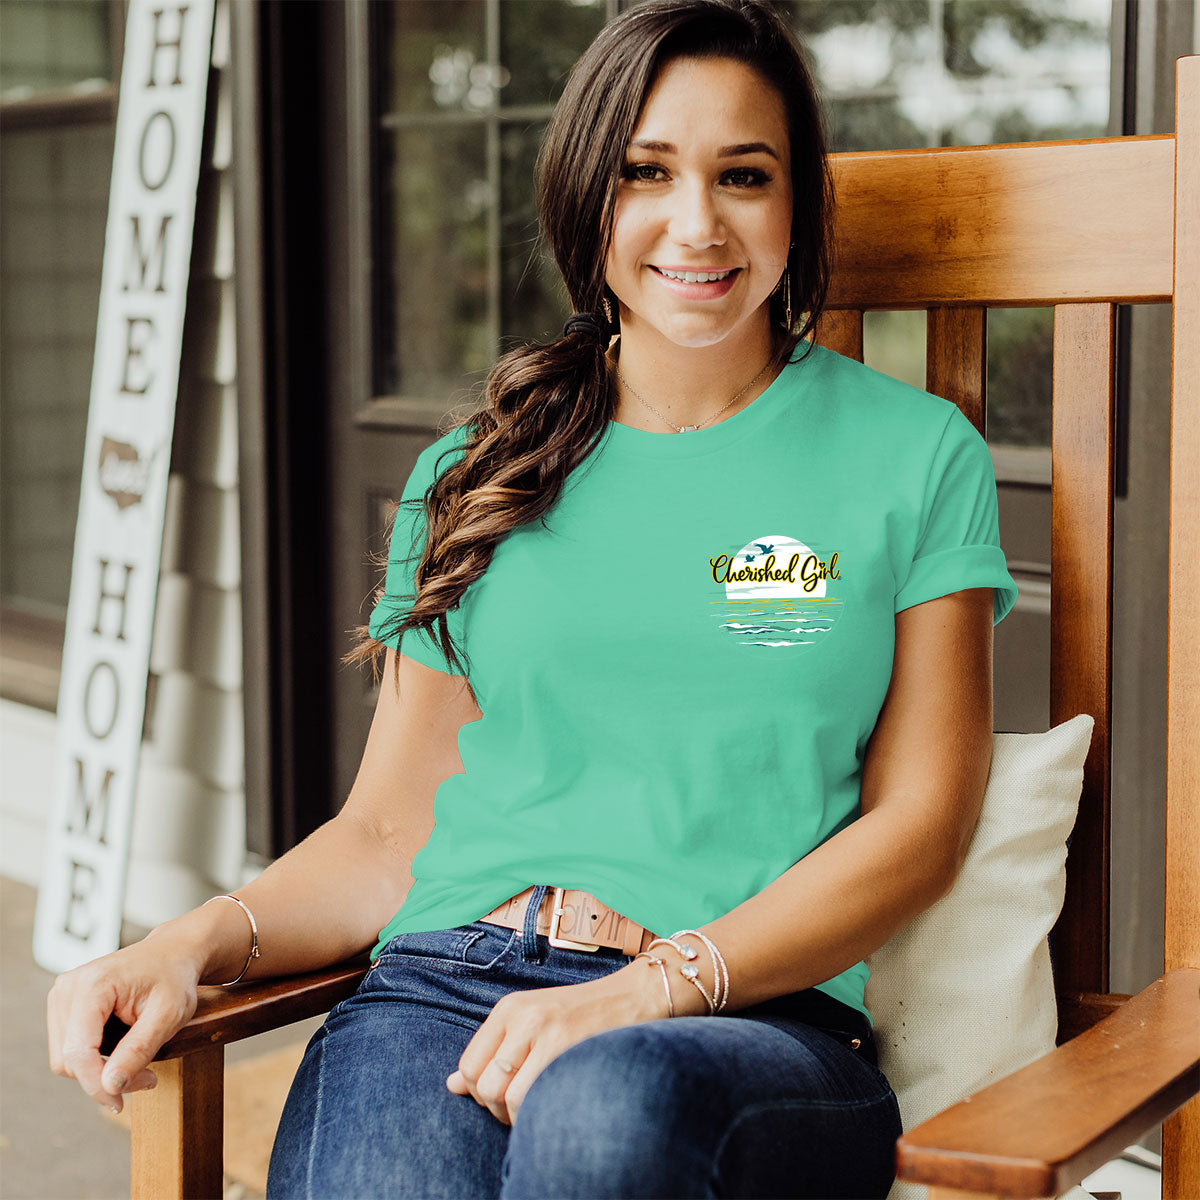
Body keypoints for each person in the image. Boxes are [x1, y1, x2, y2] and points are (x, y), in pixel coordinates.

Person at [47, 1, 1020, 1196]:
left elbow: (921, 823)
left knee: (607, 1108)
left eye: (744, 175)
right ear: (584, 195)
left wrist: (655, 987)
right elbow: (386, 837)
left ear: (795, 204)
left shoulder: (914, 456)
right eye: (645, 172)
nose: (696, 223)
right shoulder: (477, 470)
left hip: (746, 1020)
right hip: (443, 992)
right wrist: (189, 940)